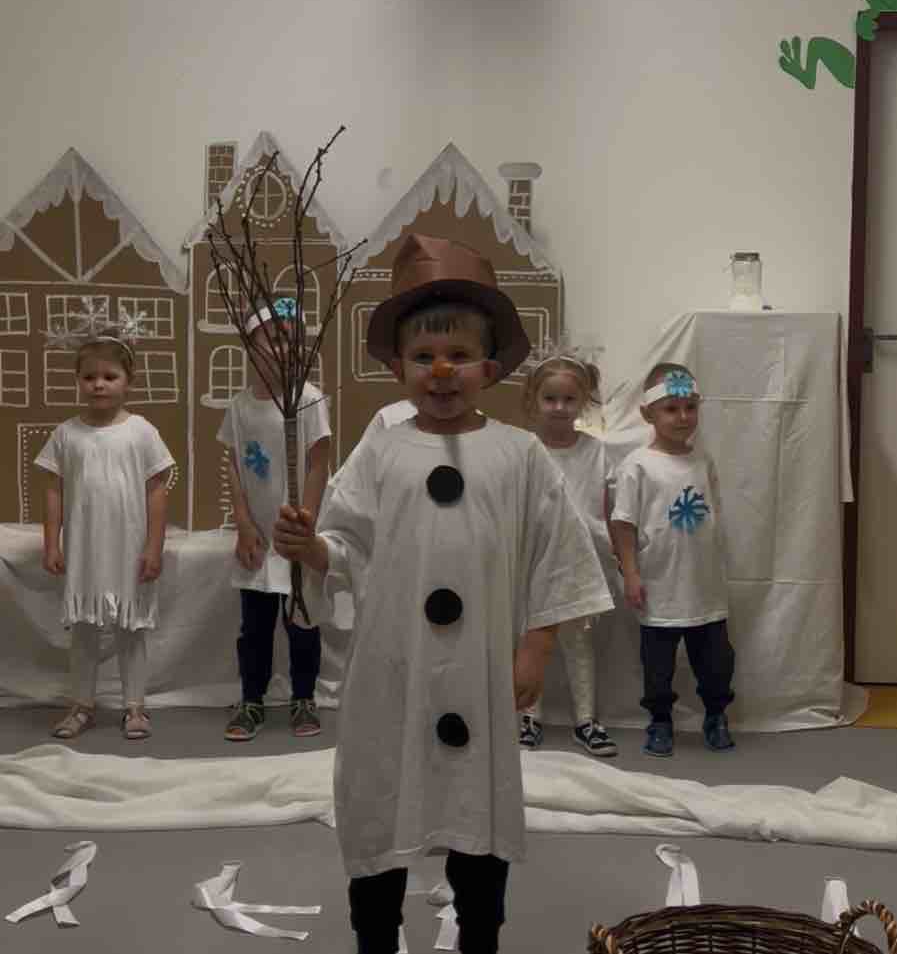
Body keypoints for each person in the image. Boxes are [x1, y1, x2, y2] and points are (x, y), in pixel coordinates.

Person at [274, 234, 612, 954]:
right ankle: (375, 934)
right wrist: (311, 549)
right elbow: (348, 544)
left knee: (474, 810)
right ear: (397, 366)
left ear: (490, 366)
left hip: (479, 669)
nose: (441, 370)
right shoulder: (383, 448)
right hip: (392, 668)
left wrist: (535, 645)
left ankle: (480, 935)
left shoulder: (518, 453)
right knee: (380, 797)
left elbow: (558, 555)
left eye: (459, 353)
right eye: (424, 355)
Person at [36, 322, 174, 740]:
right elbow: (54, 491)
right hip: (85, 549)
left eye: (109, 376)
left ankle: (135, 707)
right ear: (78, 380)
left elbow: (157, 491)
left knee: (131, 628)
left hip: (129, 548)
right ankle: (81, 704)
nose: (99, 384)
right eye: (89, 376)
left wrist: (154, 546)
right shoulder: (66, 434)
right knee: (84, 630)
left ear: (128, 381)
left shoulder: (142, 432)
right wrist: (52, 543)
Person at [610, 362, 735, 757]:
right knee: (658, 666)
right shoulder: (637, 465)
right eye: (671, 409)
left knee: (716, 662)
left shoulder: (703, 460)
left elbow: (712, 515)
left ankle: (716, 715)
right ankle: (660, 720)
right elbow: (624, 524)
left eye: (690, 407)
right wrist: (631, 573)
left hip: (704, 585)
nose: (683, 417)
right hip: (660, 585)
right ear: (648, 413)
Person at [220, 298, 331, 741]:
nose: (287, 348)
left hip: (295, 534)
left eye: (293, 340)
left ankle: (304, 697)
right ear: (250, 344)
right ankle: (252, 699)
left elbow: (319, 463)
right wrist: (244, 524)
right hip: (259, 539)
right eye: (275, 338)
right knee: (255, 626)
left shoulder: (309, 401)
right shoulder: (239, 407)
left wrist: (305, 524)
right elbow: (233, 466)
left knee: (302, 621)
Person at [518, 349, 618, 757]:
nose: (559, 407)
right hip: (534, 560)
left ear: (583, 401)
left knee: (579, 644)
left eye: (569, 399)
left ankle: (586, 720)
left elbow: (608, 509)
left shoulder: (597, 451)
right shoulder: (524, 449)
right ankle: (529, 715)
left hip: (580, 561)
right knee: (531, 639)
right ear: (534, 399)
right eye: (550, 398)